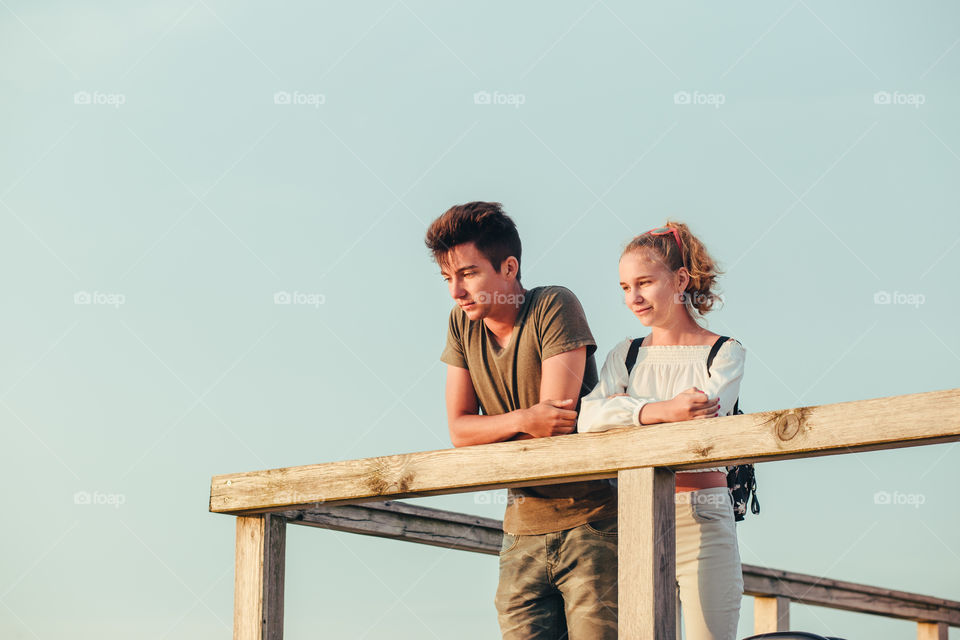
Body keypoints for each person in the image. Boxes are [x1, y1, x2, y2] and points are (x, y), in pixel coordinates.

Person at [425, 201, 618, 639]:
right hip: (520, 529)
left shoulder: (554, 304)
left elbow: (555, 420)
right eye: (447, 279)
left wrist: (509, 424)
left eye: (468, 274)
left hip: (593, 521)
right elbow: (458, 429)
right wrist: (525, 417)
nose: (456, 291)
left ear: (509, 266)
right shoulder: (461, 325)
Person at [577, 221, 744, 640]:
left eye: (645, 282)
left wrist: (627, 411)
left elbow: (700, 420)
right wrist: (662, 409)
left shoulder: (724, 352)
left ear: (680, 280)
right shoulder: (627, 354)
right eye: (624, 286)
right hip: (636, 516)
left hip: (702, 512)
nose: (633, 297)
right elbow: (587, 418)